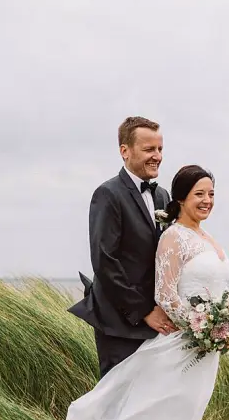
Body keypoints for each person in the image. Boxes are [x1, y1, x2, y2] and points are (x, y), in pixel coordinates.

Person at [66, 165, 229, 420]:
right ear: (181, 198)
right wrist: (201, 326)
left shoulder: (205, 237)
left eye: (211, 194)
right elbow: (166, 295)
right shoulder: (173, 237)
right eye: (200, 194)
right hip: (184, 344)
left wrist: (222, 326)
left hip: (207, 351)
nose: (207, 200)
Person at [68, 116, 177, 379]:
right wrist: (144, 311)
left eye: (160, 149)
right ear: (125, 151)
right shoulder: (108, 194)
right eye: (149, 149)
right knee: (116, 396)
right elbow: (105, 261)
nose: (157, 156)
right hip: (119, 322)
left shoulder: (162, 195)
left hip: (156, 321)